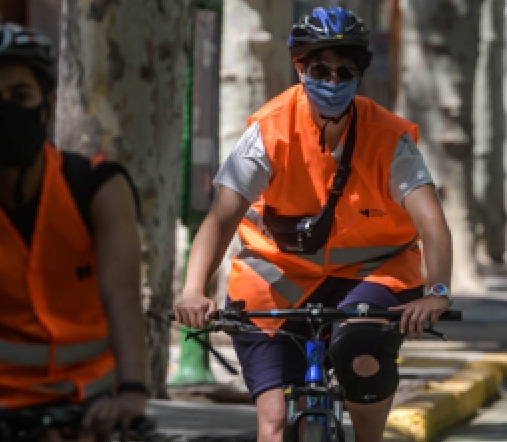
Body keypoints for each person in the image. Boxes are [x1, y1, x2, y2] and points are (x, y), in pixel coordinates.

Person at [173, 7, 452, 442]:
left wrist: (436, 292)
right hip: (275, 278)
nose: (334, 81)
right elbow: (220, 219)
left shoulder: (389, 138)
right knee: (272, 422)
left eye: (346, 70)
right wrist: (194, 290)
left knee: (364, 355)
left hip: (371, 276)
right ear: (300, 68)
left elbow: (432, 225)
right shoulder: (269, 132)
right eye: (321, 68)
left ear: (360, 73)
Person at [0, 23, 148, 439]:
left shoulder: (95, 186)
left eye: (19, 96)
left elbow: (122, 297)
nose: (6, 109)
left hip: (89, 403)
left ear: (46, 106)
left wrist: (133, 393)